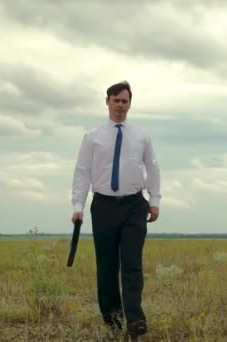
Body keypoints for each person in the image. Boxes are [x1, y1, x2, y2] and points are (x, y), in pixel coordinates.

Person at [71, 80, 161, 339]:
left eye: (125, 101)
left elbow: (153, 168)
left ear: (130, 104)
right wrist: (77, 204)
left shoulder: (141, 136)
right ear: (107, 102)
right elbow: (82, 172)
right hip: (104, 206)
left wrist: (154, 200)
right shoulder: (92, 137)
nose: (121, 105)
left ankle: (135, 320)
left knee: (132, 263)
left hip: (134, 205)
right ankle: (113, 319)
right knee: (108, 266)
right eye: (116, 100)